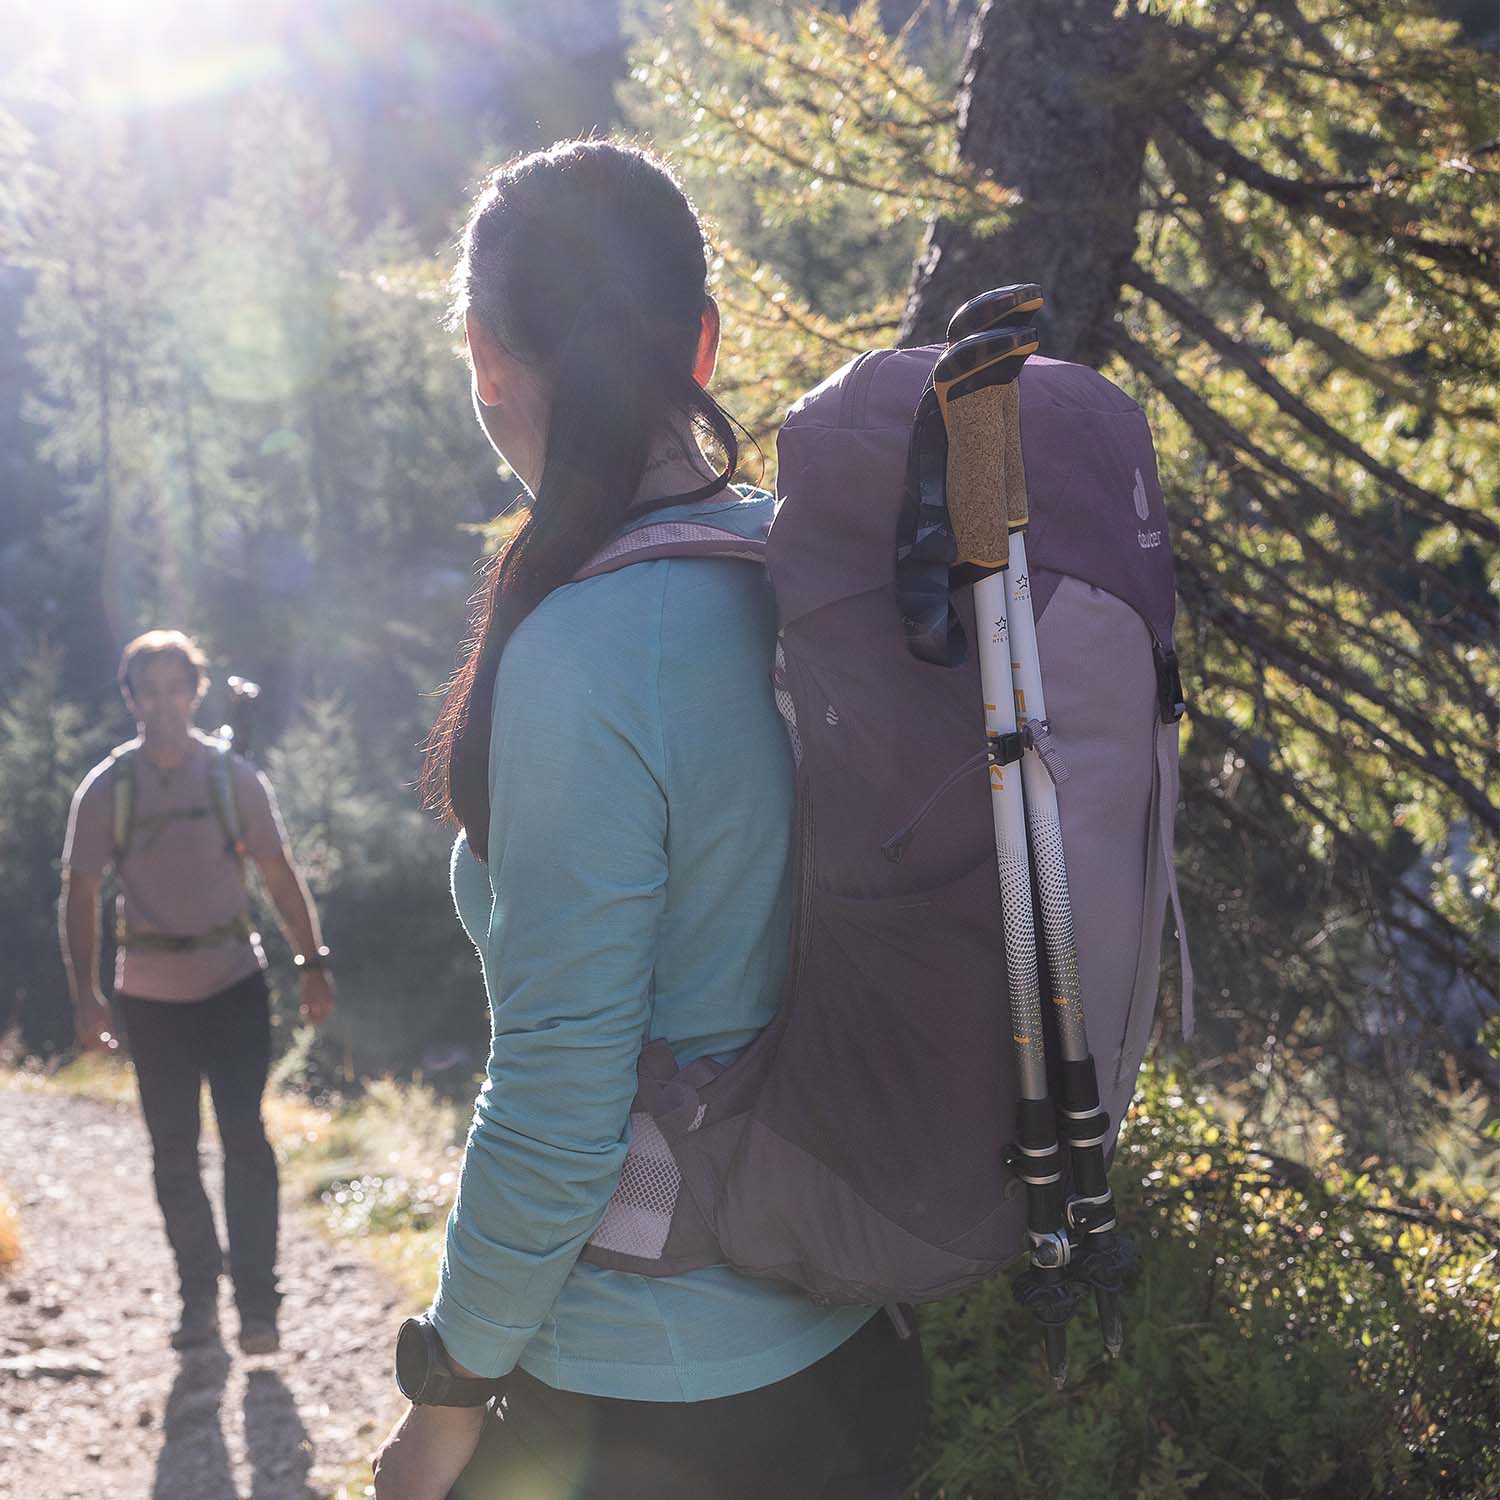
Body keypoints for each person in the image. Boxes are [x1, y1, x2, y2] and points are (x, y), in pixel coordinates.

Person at [371, 141, 926, 1500]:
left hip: (648, 1404)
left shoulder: (588, 651)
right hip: (854, 1357)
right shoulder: (812, 577)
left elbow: (562, 1102)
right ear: (704, 341)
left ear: (486, 359)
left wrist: (445, 1404)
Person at [58, 628, 335, 1355]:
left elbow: (279, 874)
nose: (163, 704)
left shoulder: (233, 778)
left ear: (195, 692)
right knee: (174, 1152)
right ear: (130, 698)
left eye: (175, 689)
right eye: (148, 691)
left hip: (234, 986)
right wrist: (86, 996)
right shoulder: (107, 789)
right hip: (150, 1000)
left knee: (245, 1138)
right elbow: (80, 895)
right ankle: (198, 1300)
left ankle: (258, 1306)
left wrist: (312, 961)